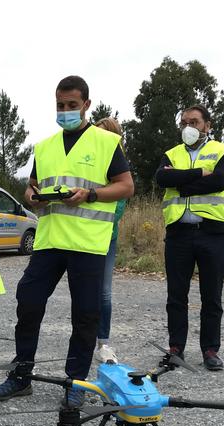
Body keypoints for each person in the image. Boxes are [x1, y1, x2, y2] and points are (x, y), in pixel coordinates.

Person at [0, 75, 134, 408]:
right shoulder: (45, 146)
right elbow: (33, 187)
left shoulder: (106, 143)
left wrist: (91, 194)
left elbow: (126, 186)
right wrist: (32, 196)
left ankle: (76, 383)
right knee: (28, 302)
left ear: (86, 105)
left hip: (87, 243)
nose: (65, 110)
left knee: (85, 316)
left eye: (71, 105)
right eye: (60, 105)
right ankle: (21, 375)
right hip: (50, 241)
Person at [155, 105, 224, 371]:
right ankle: (176, 348)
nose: (189, 127)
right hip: (179, 233)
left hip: (213, 234)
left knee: (211, 296)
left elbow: (220, 181)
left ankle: (210, 350)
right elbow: (161, 178)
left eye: (195, 122)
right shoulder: (172, 153)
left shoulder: (223, 151)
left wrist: (181, 182)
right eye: (184, 122)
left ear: (207, 126)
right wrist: (200, 173)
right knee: (176, 296)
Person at [92, 117, 127, 364]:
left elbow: (118, 208)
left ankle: (103, 342)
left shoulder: (119, 168)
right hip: (81, 237)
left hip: (105, 238)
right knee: (85, 290)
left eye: (104, 134)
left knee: (103, 292)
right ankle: (84, 336)